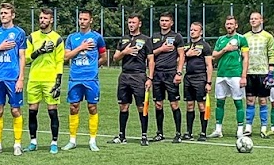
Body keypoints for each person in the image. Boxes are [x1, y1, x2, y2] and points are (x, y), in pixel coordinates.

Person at [63, 9, 108, 151]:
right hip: (75, 78)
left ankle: (92, 140)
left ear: (91, 20)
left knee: (92, 107)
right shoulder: (72, 37)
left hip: (91, 78)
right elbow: (66, 56)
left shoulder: (97, 37)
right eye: (80, 19)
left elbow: (104, 57)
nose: (82, 21)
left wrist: (93, 67)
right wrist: (81, 47)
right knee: (73, 107)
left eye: (84, 19)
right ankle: (72, 140)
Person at [0, 3, 27, 155]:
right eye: (1, 13)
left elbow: (22, 56)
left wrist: (21, 78)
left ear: (13, 15)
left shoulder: (19, 33)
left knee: (15, 110)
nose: (3, 15)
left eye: (6, 13)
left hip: (13, 77)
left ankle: (17, 143)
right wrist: (0, 47)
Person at [25, 8, 65, 154]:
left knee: (52, 111)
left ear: (51, 20)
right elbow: (27, 58)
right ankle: (33, 141)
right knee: (32, 111)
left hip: (50, 79)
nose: (42, 20)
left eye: (45, 18)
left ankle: (54, 142)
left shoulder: (57, 39)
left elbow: (60, 61)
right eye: (41, 18)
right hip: (34, 78)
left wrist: (58, 80)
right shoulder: (32, 37)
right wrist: (39, 51)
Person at [111, 14, 154, 146]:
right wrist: (125, 52)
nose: (131, 25)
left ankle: (144, 135)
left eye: (133, 22)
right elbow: (115, 58)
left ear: (139, 24)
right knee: (123, 106)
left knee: (141, 106)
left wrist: (150, 78)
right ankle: (122, 135)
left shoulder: (146, 40)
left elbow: (151, 60)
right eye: (129, 22)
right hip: (124, 76)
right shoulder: (124, 39)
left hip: (139, 76)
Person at [210, 16, 248, 139]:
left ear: (236, 25)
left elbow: (246, 58)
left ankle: (240, 130)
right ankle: (218, 129)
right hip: (221, 74)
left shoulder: (242, 39)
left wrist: (243, 76)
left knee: (238, 102)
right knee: (219, 102)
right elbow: (214, 56)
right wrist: (225, 49)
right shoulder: (221, 40)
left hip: (235, 75)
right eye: (227, 24)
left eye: (231, 24)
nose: (229, 26)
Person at [149, 12, 185, 142]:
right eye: (162, 20)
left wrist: (179, 72)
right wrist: (161, 49)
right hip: (157, 74)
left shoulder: (177, 37)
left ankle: (178, 133)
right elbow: (150, 55)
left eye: (166, 20)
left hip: (171, 73)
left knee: (174, 104)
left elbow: (181, 55)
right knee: (158, 104)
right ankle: (159, 133)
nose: (164, 23)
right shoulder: (154, 37)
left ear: (171, 23)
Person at [242, 11, 274, 138]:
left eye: (256, 18)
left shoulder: (268, 37)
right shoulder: (244, 37)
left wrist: (271, 72)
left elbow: (272, 54)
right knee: (250, 100)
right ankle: (248, 127)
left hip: (263, 73)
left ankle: (263, 128)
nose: (253, 20)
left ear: (261, 20)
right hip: (249, 72)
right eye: (251, 19)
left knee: (263, 101)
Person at [182, 22, 213, 141]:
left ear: (201, 32)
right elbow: (179, 60)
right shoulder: (186, 46)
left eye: (195, 30)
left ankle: (203, 132)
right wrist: (187, 54)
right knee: (189, 105)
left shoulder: (205, 46)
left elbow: (209, 65)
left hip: (200, 78)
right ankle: (189, 132)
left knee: (201, 105)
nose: (192, 32)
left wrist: (208, 82)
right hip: (188, 78)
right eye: (191, 30)